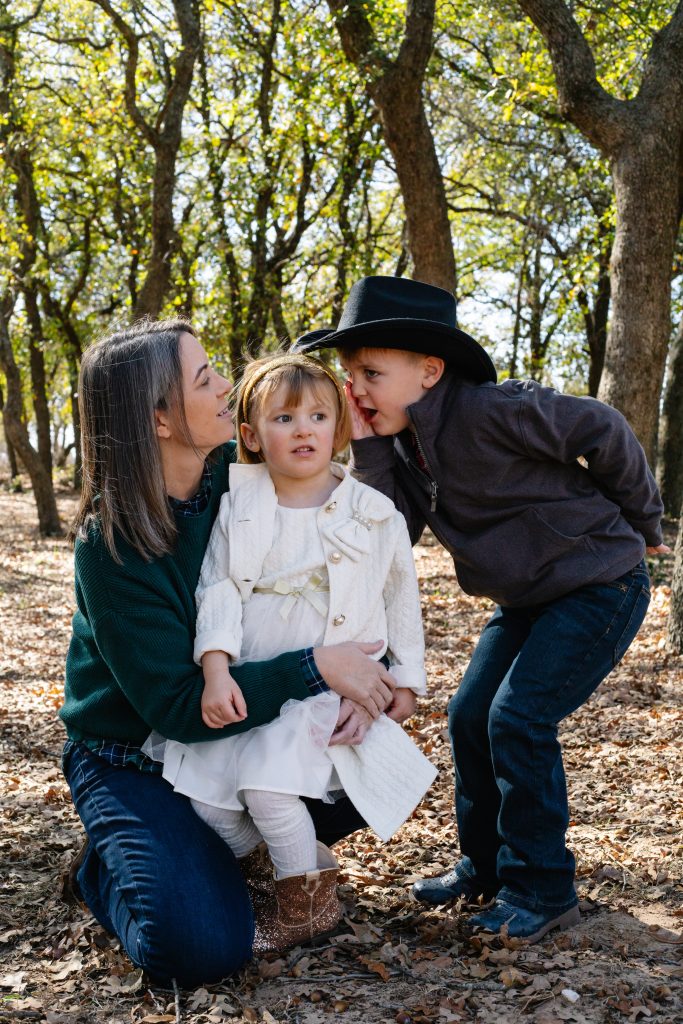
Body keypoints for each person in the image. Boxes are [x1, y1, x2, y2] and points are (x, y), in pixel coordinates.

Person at [293, 275, 667, 944]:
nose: (355, 392)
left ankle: (542, 888)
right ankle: (487, 866)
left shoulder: (493, 410)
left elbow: (603, 426)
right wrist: (372, 444)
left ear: (429, 372)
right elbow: (391, 534)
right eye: (349, 375)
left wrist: (642, 519)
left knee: (516, 720)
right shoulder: (402, 446)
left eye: (370, 373)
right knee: (470, 714)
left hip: (598, 582)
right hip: (525, 600)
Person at [60, 318, 402, 988]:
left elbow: (338, 556)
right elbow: (183, 709)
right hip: (132, 756)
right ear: (157, 420)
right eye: (204, 378)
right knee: (201, 950)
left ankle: (211, 853)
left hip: (233, 738)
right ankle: (111, 862)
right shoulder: (113, 545)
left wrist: (371, 670)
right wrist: (315, 667)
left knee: (375, 769)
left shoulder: (240, 477)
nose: (226, 385)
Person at [145, 351, 436, 951]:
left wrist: (404, 684)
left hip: (324, 677)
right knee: (210, 806)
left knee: (267, 789)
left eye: (318, 416)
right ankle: (308, 865)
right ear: (251, 435)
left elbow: (400, 593)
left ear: (341, 426)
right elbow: (218, 585)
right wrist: (217, 666)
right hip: (254, 671)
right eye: (283, 418)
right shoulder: (240, 501)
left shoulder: (371, 510)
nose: (303, 429)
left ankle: (304, 906)